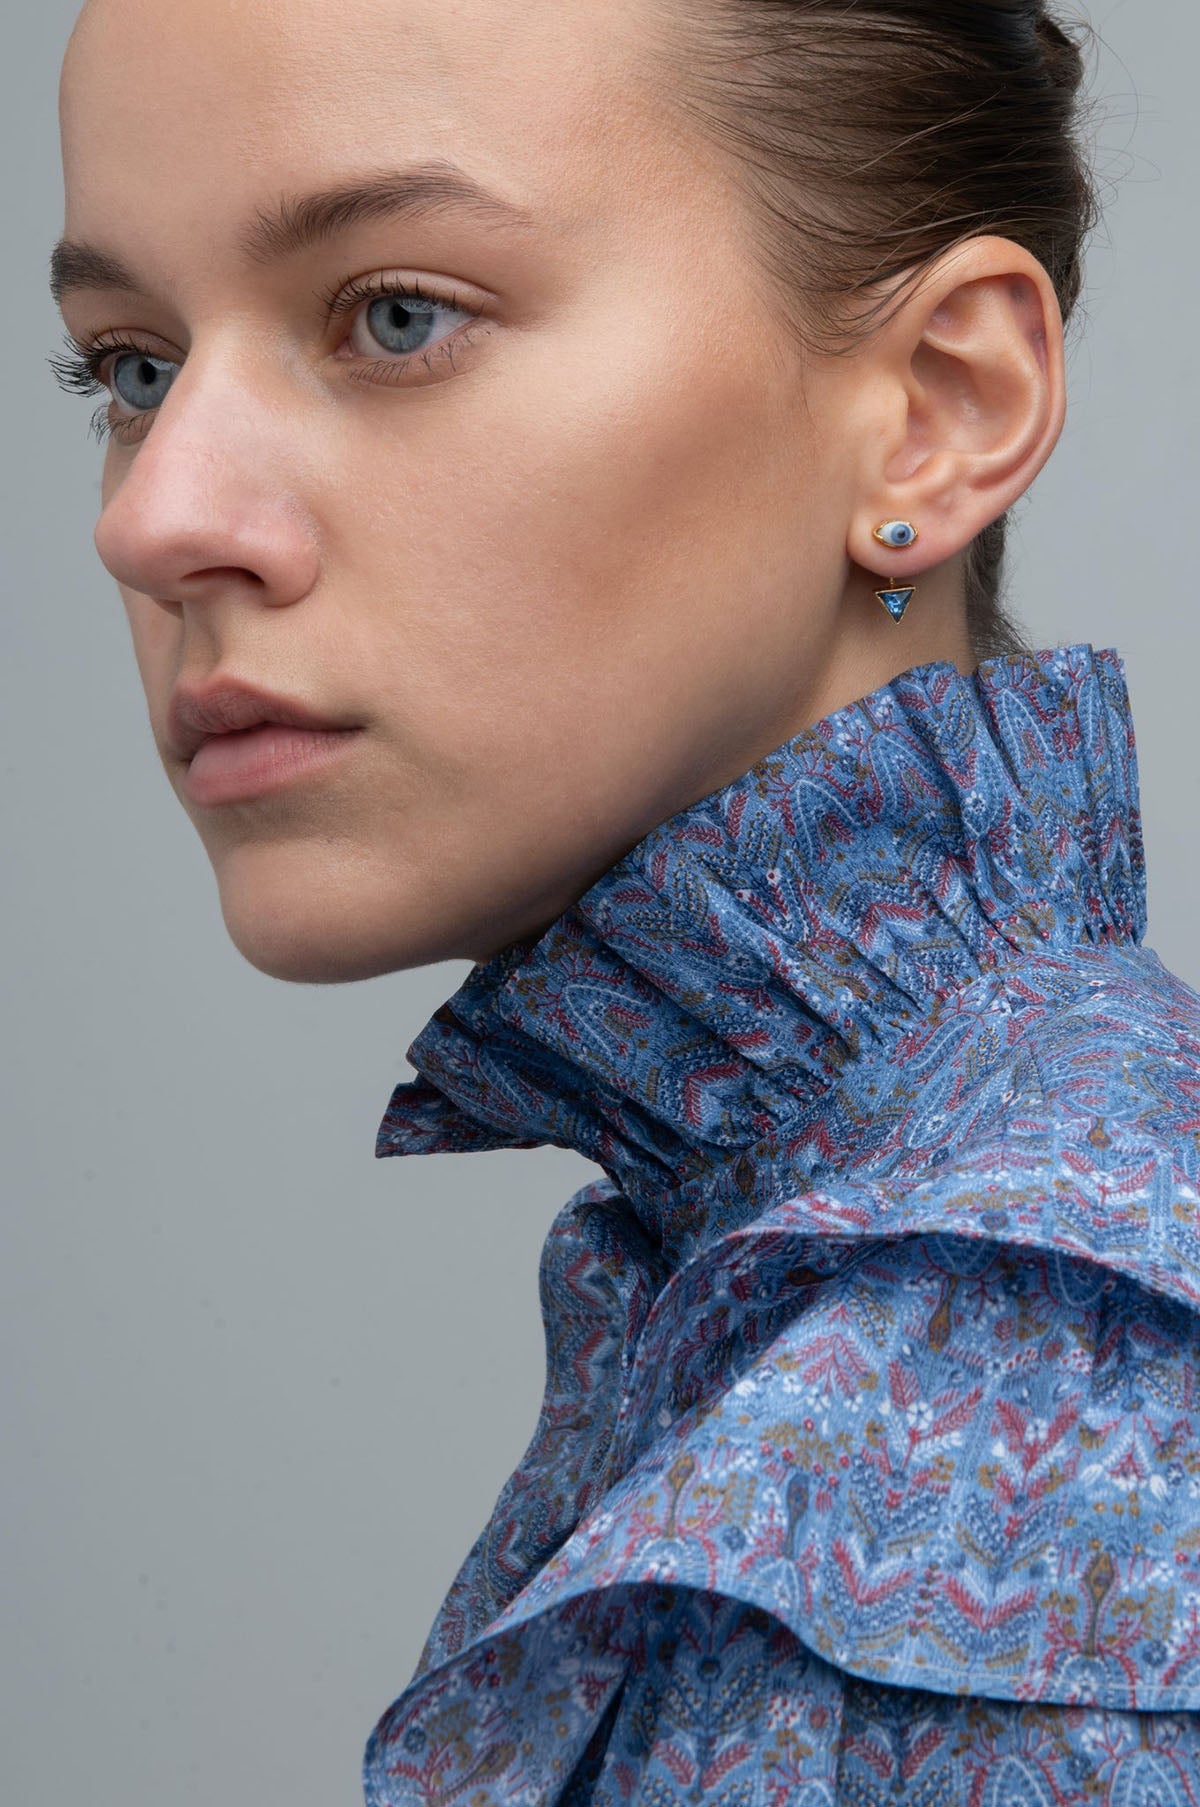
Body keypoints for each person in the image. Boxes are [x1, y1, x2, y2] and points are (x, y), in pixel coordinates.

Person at [49, 0, 1200, 1798]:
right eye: (129, 368)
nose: (155, 519)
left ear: (937, 411)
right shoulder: (777, 1237)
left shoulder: (1070, 1369)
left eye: (397, 315)